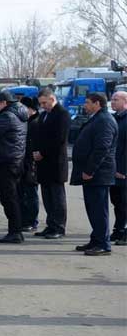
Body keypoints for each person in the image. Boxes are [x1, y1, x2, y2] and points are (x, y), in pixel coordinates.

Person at [70, 92, 118, 256]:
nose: (85, 105)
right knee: (92, 208)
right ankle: (96, 239)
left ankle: (103, 244)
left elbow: (102, 148)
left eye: (88, 102)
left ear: (97, 104)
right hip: (93, 174)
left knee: (99, 209)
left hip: (98, 174)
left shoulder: (104, 120)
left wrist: (90, 170)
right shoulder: (97, 118)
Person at [0, 90, 28, 243]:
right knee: (13, 196)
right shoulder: (18, 114)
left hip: (8, 161)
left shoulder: (8, 116)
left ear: (4, 103)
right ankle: (15, 230)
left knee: (9, 198)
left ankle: (15, 232)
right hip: (15, 159)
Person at [33, 87, 71, 239]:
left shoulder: (62, 114)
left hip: (55, 162)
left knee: (57, 197)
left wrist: (43, 152)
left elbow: (59, 139)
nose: (42, 106)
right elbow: (39, 136)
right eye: (40, 103)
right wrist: (36, 151)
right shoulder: (43, 116)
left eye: (44, 102)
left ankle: (59, 227)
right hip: (43, 163)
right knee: (47, 197)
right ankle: (51, 225)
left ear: (52, 99)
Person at [19, 96, 40, 232]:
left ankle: (32, 220)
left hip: (31, 163)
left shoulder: (35, 123)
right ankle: (25, 219)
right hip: (24, 161)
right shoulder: (27, 122)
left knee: (31, 193)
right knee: (24, 193)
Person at [108, 91, 126, 245]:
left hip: (123, 170)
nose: (112, 102)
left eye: (116, 99)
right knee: (117, 202)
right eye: (112, 99)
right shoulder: (115, 118)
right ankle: (118, 230)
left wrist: (123, 170)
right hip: (113, 169)